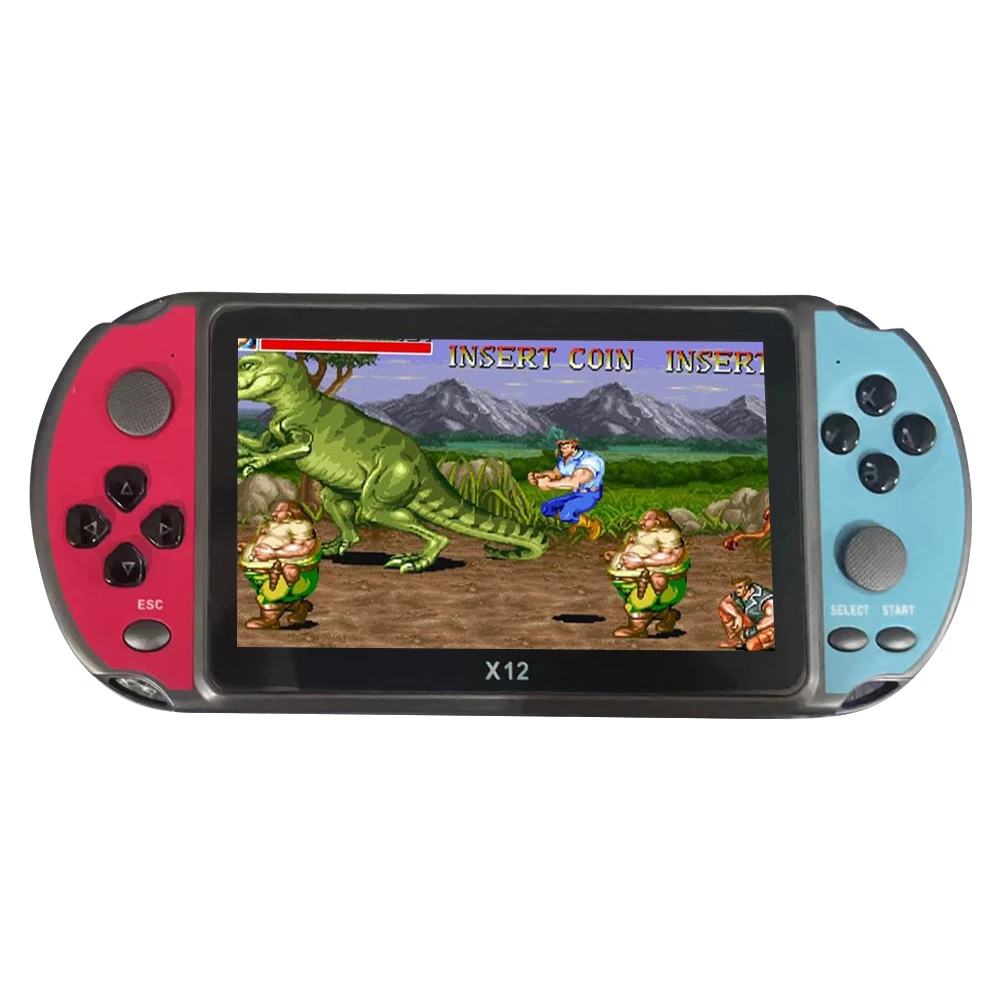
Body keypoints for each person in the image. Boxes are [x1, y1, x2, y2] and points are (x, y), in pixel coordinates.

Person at [603, 509, 690, 638]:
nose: (641, 521)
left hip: (655, 582)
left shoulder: (667, 534)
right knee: (647, 604)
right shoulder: (642, 534)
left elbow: (672, 556)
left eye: (647, 519)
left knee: (639, 603)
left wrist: (642, 562)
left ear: (658, 522)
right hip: (629, 579)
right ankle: (666, 615)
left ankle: (637, 628)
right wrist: (617, 556)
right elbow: (636, 549)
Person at [238, 500, 321, 629]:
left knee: (271, 594)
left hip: (287, 573)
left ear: (289, 513)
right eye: (274, 511)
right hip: (262, 570)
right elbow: (265, 540)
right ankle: (298, 607)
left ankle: (269, 620)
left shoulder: (299, 526)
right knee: (274, 593)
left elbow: (303, 548)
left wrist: (274, 554)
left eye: (279, 511)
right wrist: (248, 547)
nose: (274, 513)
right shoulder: (272, 525)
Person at [528, 438, 605, 540]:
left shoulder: (590, 460)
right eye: (560, 445)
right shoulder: (564, 460)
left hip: (590, 494)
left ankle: (592, 525)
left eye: (564, 444)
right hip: (576, 494)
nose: (561, 448)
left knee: (566, 514)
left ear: (574, 444)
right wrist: (540, 476)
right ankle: (575, 521)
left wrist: (549, 484)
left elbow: (574, 482)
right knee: (547, 508)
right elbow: (556, 474)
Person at [718, 575, 775, 650]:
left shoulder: (764, 597)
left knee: (751, 646)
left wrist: (754, 630)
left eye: (740, 587)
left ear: (747, 586)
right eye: (735, 588)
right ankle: (737, 640)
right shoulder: (739, 594)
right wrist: (737, 616)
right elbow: (724, 603)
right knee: (725, 611)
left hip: (767, 627)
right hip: (752, 624)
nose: (737, 590)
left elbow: (772, 617)